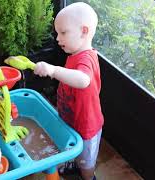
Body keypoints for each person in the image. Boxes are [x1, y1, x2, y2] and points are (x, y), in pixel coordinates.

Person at [34, 2, 103, 180]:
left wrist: (54, 70)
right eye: (58, 33)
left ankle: (89, 177)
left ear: (84, 31)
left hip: (86, 126)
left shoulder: (86, 58)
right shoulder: (74, 55)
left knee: (86, 163)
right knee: (72, 150)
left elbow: (83, 80)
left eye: (63, 33)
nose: (58, 38)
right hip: (72, 119)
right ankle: (73, 167)